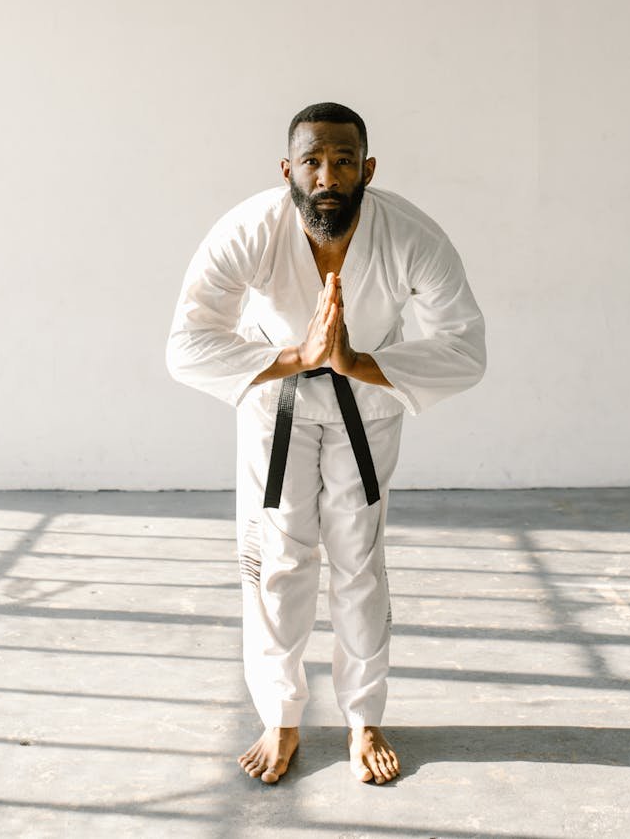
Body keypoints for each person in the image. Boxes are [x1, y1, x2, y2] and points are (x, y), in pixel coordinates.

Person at [165, 101, 486, 785]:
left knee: (358, 559)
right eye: (312, 161)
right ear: (288, 169)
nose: (327, 176)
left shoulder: (411, 236)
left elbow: (466, 348)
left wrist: (357, 363)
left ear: (368, 169)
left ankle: (363, 715)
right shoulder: (250, 228)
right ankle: (280, 716)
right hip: (275, 407)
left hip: (364, 409)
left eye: (343, 161)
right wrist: (296, 355)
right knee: (277, 560)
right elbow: (186, 346)